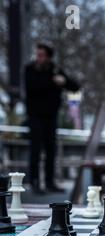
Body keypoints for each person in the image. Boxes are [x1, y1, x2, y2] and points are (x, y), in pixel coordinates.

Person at [25, 43, 80, 194]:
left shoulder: (55, 70)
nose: (39, 58)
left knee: (51, 151)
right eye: (38, 55)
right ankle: (34, 182)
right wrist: (53, 82)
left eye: (42, 55)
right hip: (35, 117)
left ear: (48, 57)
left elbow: (75, 86)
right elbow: (32, 86)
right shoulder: (30, 69)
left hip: (51, 117)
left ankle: (50, 182)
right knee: (35, 151)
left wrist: (64, 81)